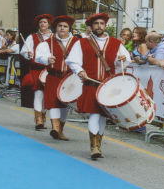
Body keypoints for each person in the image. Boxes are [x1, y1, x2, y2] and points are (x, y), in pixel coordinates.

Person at [66, 13, 131, 160]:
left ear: (105, 25)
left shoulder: (116, 43)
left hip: (108, 85)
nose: (99, 26)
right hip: (91, 83)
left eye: (102, 23)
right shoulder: (82, 43)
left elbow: (126, 61)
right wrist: (80, 71)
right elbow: (72, 61)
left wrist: (122, 59)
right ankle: (94, 146)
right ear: (91, 26)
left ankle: (98, 145)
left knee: (102, 116)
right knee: (94, 114)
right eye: (96, 24)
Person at [35, 15, 80, 141]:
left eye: (65, 26)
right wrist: (46, 59)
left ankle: (60, 130)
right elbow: (38, 56)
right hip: (54, 76)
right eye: (60, 26)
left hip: (70, 78)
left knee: (65, 104)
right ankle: (55, 128)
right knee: (53, 103)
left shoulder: (77, 42)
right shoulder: (47, 42)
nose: (62, 28)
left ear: (69, 28)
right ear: (56, 27)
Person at [20, 14, 53, 130]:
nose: (42, 24)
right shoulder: (32, 37)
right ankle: (39, 120)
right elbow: (23, 51)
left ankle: (43, 117)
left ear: (49, 24)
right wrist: (28, 54)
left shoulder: (54, 37)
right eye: (40, 23)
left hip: (50, 70)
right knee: (38, 94)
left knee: (47, 96)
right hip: (36, 69)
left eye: (44, 22)